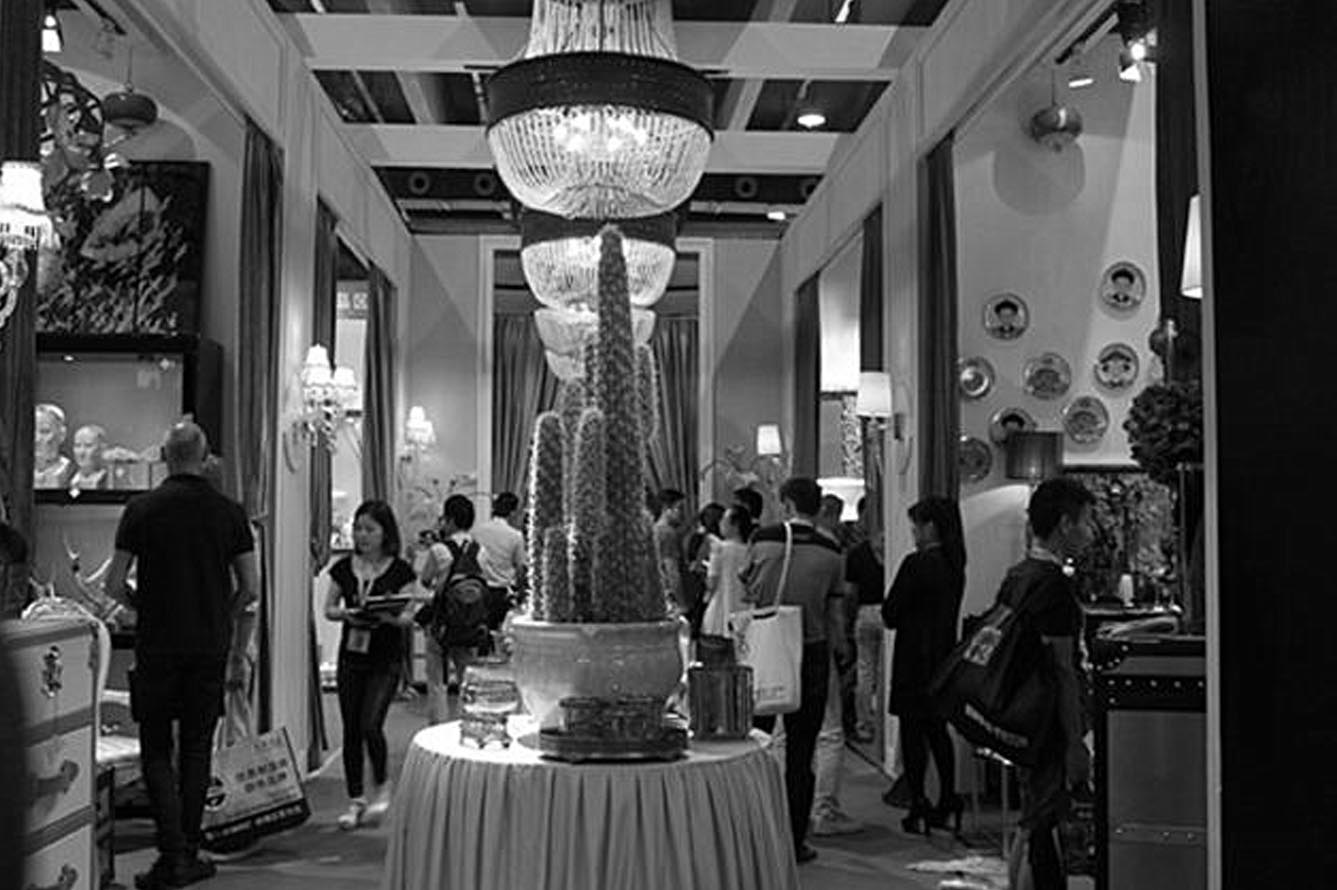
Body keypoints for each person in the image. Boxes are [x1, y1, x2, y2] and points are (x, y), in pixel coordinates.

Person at [104, 422, 258, 890]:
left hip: (157, 643)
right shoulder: (229, 513)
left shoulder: (141, 509)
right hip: (208, 644)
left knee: (155, 748)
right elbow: (250, 587)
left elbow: (114, 583)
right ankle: (188, 851)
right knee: (196, 747)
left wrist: (141, 605)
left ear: (164, 457)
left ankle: (169, 854)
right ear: (204, 457)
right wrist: (222, 614)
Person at [742, 477, 850, 864]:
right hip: (811, 652)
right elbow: (835, 612)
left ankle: (751, 832)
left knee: (753, 742)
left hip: (765, 649)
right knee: (802, 753)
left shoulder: (764, 539)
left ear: (787, 504)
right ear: (818, 507)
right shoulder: (831, 551)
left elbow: (748, 590)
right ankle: (794, 839)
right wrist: (842, 650)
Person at [1003, 478, 1095, 890]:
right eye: (1085, 522)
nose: (1089, 533)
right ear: (1065, 524)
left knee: (1033, 820)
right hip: (1050, 721)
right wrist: (1075, 740)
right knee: (1043, 826)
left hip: (1024, 714)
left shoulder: (1018, 575)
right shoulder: (1053, 585)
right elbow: (1062, 668)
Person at [322, 500, 417, 830]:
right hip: (352, 655)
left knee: (370, 724)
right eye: (358, 528)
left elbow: (409, 617)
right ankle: (356, 799)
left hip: (385, 658)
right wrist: (347, 613)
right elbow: (329, 608)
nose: (362, 535)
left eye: (370, 529)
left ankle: (382, 784)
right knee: (350, 729)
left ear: (385, 533)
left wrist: (388, 615)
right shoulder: (343, 568)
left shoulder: (401, 570)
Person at [881, 496, 968, 836]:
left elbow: (891, 613)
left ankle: (917, 800)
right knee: (937, 730)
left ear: (930, 527)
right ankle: (948, 797)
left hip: (913, 656)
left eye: (916, 527)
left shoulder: (915, 564)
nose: (914, 533)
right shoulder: (954, 565)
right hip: (943, 656)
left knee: (912, 732)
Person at [417, 494, 485, 723]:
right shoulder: (480, 550)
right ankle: (469, 722)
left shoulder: (439, 550)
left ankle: (438, 727)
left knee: (437, 680)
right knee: (467, 677)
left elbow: (425, 580)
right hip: (470, 622)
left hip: (442, 622)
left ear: (451, 520)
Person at [844, 496, 885, 742]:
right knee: (884, 671)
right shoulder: (894, 546)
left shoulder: (857, 553)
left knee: (865, 671)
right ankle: (884, 725)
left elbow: (850, 592)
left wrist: (849, 619)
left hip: (865, 611)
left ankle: (864, 725)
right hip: (888, 611)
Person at [470, 491, 527, 644]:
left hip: (480, 591)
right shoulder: (515, 536)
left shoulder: (478, 531)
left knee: (482, 637)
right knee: (501, 639)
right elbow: (520, 568)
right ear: (513, 512)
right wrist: (521, 594)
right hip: (502, 593)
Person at [701, 505, 753, 637]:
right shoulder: (750, 551)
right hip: (744, 611)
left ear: (735, 525)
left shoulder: (719, 549)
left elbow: (711, 583)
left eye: (724, 520)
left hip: (719, 610)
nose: (720, 523)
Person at [681, 501, 724, 636]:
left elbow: (691, 560)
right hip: (710, 588)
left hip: (697, 589)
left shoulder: (696, 538)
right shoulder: (719, 542)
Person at [653, 488, 687, 611]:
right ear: (666, 509)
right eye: (679, 508)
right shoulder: (667, 533)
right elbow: (672, 569)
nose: (682, 514)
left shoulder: (654, 529)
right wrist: (682, 603)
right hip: (668, 594)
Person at [33, 403, 73, 489]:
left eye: (45, 432)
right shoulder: (16, 472)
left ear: (62, 435)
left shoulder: (73, 473)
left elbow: (78, 495)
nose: (36, 439)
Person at [69, 424, 110, 491]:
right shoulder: (67, 480)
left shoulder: (110, 482)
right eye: (77, 445)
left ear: (102, 449)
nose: (81, 452)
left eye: (88, 446)